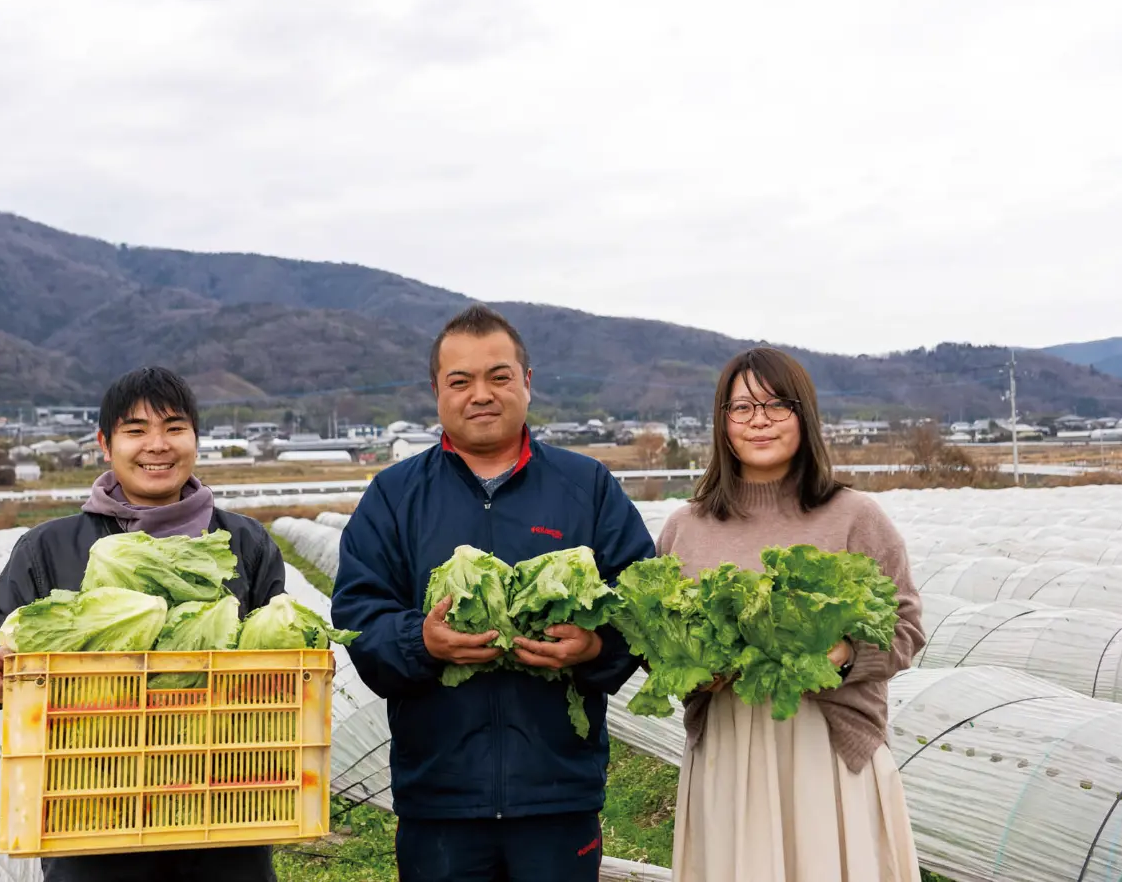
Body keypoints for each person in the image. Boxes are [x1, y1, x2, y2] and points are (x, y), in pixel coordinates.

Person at [330, 304, 655, 882]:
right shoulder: (394, 496)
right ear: (437, 391)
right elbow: (359, 616)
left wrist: (594, 649)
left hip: (557, 795)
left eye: (498, 376)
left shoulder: (587, 487)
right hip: (440, 799)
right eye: (461, 380)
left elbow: (640, 604)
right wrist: (421, 642)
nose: (481, 393)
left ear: (527, 384)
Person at [0, 367, 287, 882]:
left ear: (195, 439)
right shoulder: (49, 547)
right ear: (105, 444)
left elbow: (277, 654)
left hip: (221, 807)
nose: (157, 445)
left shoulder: (246, 543)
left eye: (174, 428)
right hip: (90, 808)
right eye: (135, 431)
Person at [657, 347, 925, 882]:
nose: (759, 421)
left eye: (776, 405)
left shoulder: (854, 517)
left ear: (804, 416)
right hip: (727, 747)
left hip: (826, 746)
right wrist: (694, 666)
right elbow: (657, 641)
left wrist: (844, 655)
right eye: (742, 408)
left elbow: (906, 629)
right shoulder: (685, 527)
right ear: (722, 423)